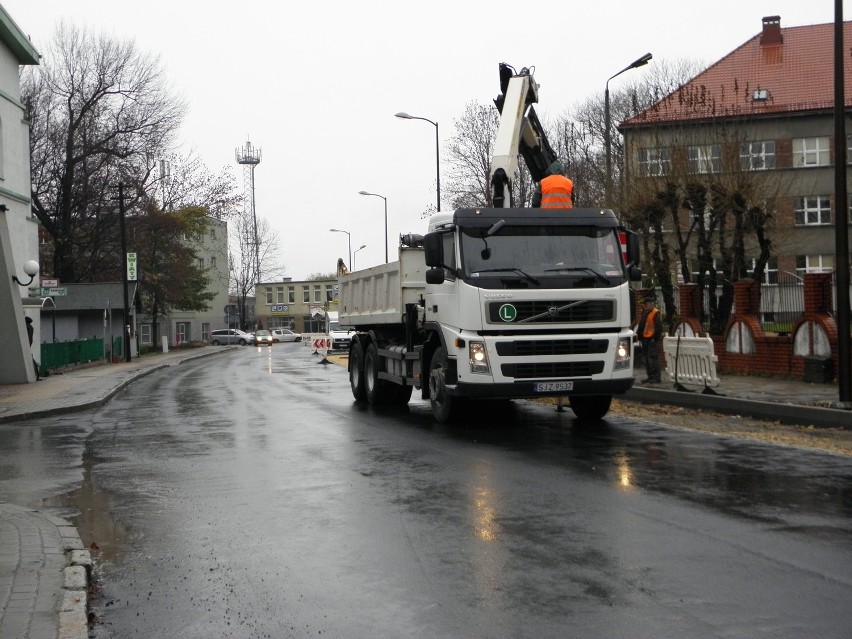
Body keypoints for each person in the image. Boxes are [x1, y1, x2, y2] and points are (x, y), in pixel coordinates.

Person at [637, 294, 663, 383]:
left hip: (651, 340)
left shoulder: (655, 313)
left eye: (646, 304)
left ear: (651, 304)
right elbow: (642, 326)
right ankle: (650, 376)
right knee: (646, 359)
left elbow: (659, 328)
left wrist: (654, 338)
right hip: (645, 340)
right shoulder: (646, 313)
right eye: (644, 304)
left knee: (652, 358)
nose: (644, 305)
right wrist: (639, 337)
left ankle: (656, 377)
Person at [25, 316, 41, 381]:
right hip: (30, 342)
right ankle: (36, 373)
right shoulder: (31, 327)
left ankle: (36, 373)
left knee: (29, 357)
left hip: (27, 343)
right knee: (30, 356)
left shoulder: (26, 326)